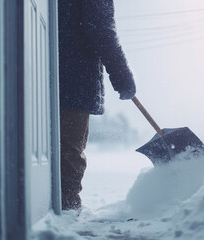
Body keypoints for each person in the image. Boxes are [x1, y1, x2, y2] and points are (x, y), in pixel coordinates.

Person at [58, 0, 136, 210]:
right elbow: (101, 29)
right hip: (73, 79)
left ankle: (62, 208)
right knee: (69, 152)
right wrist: (122, 76)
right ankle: (67, 211)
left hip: (46, 76)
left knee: (55, 150)